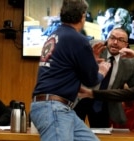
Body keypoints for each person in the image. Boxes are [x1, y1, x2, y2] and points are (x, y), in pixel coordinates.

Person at [30, 0, 111, 141]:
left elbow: (67, 66)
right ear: (83, 16)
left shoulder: (56, 34)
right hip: (54, 108)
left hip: (56, 107)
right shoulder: (78, 39)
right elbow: (91, 80)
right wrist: (102, 71)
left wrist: (89, 60)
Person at [74, 28, 134, 128]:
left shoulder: (130, 62)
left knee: (101, 135)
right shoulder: (94, 47)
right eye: (112, 38)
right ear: (107, 39)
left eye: (120, 40)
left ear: (126, 45)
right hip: (80, 97)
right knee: (72, 133)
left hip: (104, 101)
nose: (115, 42)